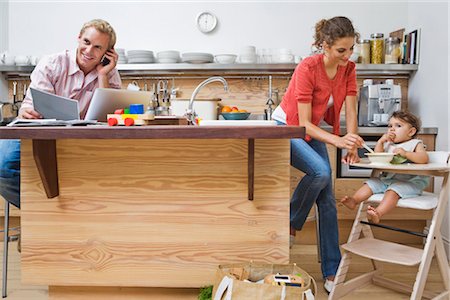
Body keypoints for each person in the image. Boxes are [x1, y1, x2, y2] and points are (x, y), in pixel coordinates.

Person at [271, 16, 364, 293]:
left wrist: (352, 144)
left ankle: (332, 271)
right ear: (324, 45)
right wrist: (337, 141)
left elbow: (350, 109)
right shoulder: (308, 67)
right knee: (321, 173)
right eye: (341, 51)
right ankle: (291, 221)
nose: (347, 56)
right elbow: (302, 123)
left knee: (327, 199)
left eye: (351, 49)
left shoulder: (349, 69)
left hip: (314, 130)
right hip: (287, 127)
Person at [0, 19, 122, 209]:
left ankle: (56, 217)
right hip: (34, 130)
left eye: (98, 47)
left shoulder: (108, 74)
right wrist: (28, 112)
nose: (89, 51)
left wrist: (103, 76)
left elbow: (108, 118)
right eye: (87, 42)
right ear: (79, 38)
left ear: (108, 53)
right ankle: (39, 211)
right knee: (3, 165)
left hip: (75, 140)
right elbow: (35, 106)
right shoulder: (52, 63)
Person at [341, 111, 429, 223]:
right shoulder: (390, 145)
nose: (392, 129)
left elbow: (424, 158)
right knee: (371, 183)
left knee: (393, 190)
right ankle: (354, 200)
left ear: (411, 131)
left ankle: (378, 213)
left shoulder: (415, 144)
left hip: (411, 182)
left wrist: (406, 154)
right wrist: (381, 142)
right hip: (389, 179)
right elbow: (378, 157)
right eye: (390, 126)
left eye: (398, 126)